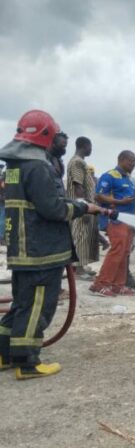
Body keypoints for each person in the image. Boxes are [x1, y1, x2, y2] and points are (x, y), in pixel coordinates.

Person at [0, 110, 102, 379]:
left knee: (22, 304)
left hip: (24, 247)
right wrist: (81, 208)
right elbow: (52, 209)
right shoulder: (38, 167)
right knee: (37, 307)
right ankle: (28, 363)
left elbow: (37, 203)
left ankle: (4, 353)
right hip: (41, 249)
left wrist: (80, 206)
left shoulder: (17, 165)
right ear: (46, 135)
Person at [90, 151, 135, 297]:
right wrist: (120, 202)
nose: (134, 165)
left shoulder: (127, 178)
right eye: (132, 161)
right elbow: (98, 195)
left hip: (128, 221)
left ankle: (118, 285)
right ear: (122, 160)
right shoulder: (109, 175)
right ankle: (100, 284)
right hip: (115, 220)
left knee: (124, 253)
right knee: (117, 251)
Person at [66, 136, 99, 280]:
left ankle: (79, 266)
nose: (91, 150)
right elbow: (78, 185)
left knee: (83, 236)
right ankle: (78, 270)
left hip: (83, 206)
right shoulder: (77, 162)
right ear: (85, 146)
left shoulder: (80, 162)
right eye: (90, 146)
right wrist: (83, 206)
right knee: (79, 236)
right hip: (80, 207)